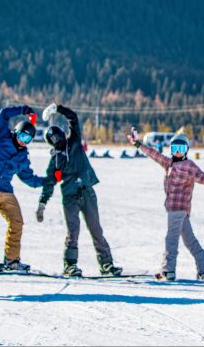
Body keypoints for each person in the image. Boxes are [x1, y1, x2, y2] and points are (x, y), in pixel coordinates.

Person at [128, 128, 204, 281]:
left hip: (177, 210)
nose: (178, 152)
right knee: (190, 240)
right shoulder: (168, 163)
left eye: (181, 149)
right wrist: (138, 144)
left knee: (171, 239)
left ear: (186, 150)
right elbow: (154, 154)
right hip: (180, 211)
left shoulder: (189, 166)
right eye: (175, 149)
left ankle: (168, 270)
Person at [36, 104, 122, 277]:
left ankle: (107, 265)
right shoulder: (55, 160)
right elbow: (49, 183)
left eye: (58, 136)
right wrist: (42, 203)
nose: (57, 140)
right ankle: (70, 265)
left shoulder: (74, 141)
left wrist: (58, 108)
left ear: (63, 134)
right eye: (53, 140)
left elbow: (73, 118)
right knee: (73, 232)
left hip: (87, 192)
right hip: (70, 197)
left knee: (96, 229)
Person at [0, 105, 44, 272]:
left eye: (27, 140)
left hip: (5, 190)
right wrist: (25, 110)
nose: (22, 141)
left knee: (17, 221)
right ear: (16, 132)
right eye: (21, 136)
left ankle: (12, 260)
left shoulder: (22, 158)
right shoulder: (1, 137)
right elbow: (4, 114)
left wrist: (49, 181)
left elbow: (30, 179)